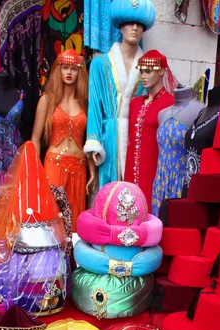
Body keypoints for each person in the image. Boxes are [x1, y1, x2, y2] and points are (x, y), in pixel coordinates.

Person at [84, 0, 156, 189]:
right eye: (129, 23)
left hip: (136, 140)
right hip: (108, 139)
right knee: (106, 196)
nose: (135, 28)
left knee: (132, 196)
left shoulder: (148, 69)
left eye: (140, 24)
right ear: (120, 26)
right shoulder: (100, 64)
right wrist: (94, 142)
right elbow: (94, 107)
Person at [31, 49, 95, 231]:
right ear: (58, 70)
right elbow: (35, 139)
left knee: (74, 220)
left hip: (78, 167)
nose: (69, 72)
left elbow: (89, 140)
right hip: (54, 165)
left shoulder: (85, 103)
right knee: (53, 218)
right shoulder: (47, 100)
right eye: (65, 67)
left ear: (79, 72)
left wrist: (92, 169)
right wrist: (36, 171)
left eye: (73, 68)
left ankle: (72, 259)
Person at [124, 50, 177, 211]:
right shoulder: (135, 103)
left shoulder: (171, 103)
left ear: (161, 71)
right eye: (141, 71)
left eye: (148, 71)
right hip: (130, 170)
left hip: (154, 170)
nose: (143, 76)